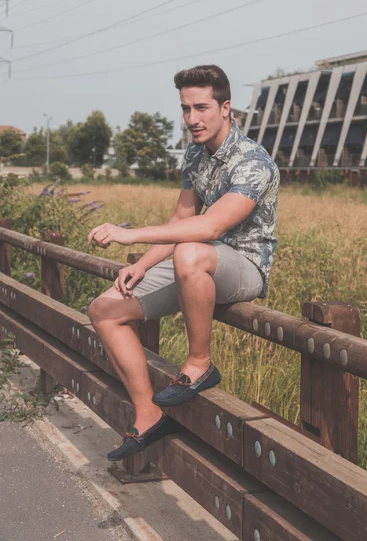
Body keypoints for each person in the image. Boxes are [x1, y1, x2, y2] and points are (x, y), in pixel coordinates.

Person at [87, 65, 280, 461]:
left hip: (243, 265)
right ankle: (149, 413)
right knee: (104, 310)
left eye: (202, 107)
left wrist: (129, 234)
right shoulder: (196, 152)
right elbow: (181, 221)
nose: (192, 119)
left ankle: (200, 364)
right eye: (185, 108)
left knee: (190, 251)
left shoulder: (253, 162)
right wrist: (141, 264)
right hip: (195, 263)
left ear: (226, 108)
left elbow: (209, 226)